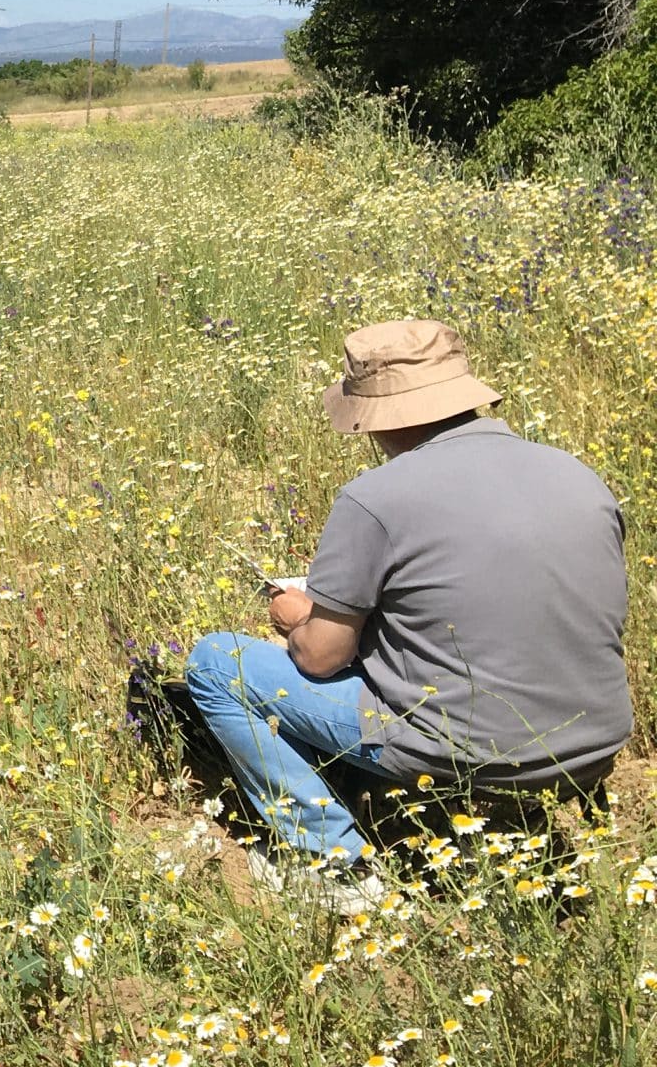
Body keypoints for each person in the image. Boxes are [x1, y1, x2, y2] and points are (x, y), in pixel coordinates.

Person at [183, 319, 630, 905]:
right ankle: (505, 829)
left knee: (218, 663)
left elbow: (320, 660)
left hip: (470, 751)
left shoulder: (377, 499)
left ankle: (331, 865)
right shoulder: (579, 476)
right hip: (593, 743)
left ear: (375, 415)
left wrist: (298, 619)